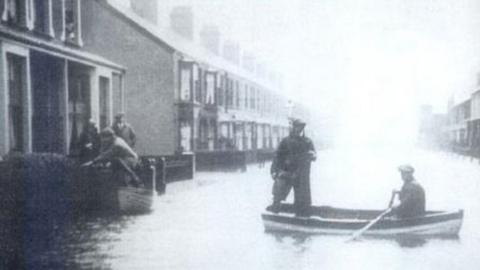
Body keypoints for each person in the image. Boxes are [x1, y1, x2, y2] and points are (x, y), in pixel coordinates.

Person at [267, 118, 316, 217]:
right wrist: (274, 171)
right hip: (286, 172)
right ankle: (274, 215)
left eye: (301, 127)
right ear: (293, 127)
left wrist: (312, 155)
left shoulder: (307, 142)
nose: (299, 129)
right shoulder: (286, 141)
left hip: (302, 175)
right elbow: (277, 157)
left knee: (302, 199)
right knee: (278, 195)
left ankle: (302, 217)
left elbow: (313, 154)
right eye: (297, 127)